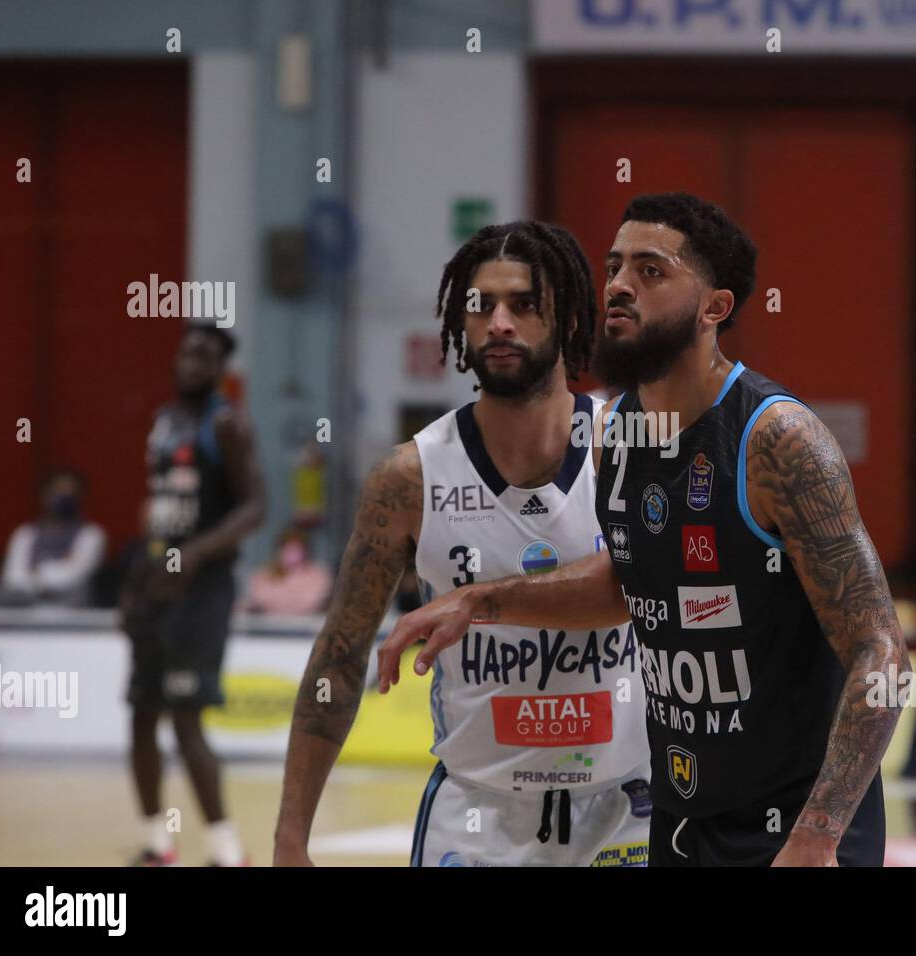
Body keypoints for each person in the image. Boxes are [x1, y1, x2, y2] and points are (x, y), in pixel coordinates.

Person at [379, 193, 908, 867]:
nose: (620, 287)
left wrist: (820, 832)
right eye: (615, 267)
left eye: (651, 271)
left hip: (796, 826)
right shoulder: (619, 433)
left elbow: (882, 652)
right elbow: (632, 582)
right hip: (682, 815)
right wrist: (481, 600)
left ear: (716, 307)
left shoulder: (776, 441)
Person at [274, 221, 650, 868]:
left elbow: (637, 587)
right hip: (477, 819)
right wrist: (290, 836)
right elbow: (340, 654)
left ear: (565, 322)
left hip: (626, 814)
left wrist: (480, 601)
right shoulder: (408, 478)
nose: (499, 322)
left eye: (524, 305)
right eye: (481, 306)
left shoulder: (632, 443)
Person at [120, 324, 265, 866]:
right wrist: (135, 585)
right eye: (186, 352)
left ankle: (227, 850)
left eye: (205, 355)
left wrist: (196, 553)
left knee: (186, 719)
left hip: (201, 591)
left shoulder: (225, 422)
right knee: (139, 714)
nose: (191, 362)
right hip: (155, 586)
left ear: (221, 367)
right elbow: (154, 508)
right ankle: (156, 842)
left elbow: (256, 507)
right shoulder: (162, 422)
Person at [0, 468, 106, 606]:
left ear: (81, 496)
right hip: (25, 617)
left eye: (70, 492)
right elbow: (12, 578)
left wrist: (36, 574)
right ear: (44, 495)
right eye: (58, 491)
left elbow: (74, 577)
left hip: (74, 617)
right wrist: (43, 580)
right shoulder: (25, 534)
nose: (64, 497)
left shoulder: (92, 534)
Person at [243, 527, 332, 615]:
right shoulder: (263, 574)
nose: (291, 552)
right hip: (269, 625)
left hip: (306, 625)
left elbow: (313, 602)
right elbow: (259, 600)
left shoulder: (319, 574)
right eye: (287, 548)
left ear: (306, 551)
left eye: (296, 548)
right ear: (278, 550)